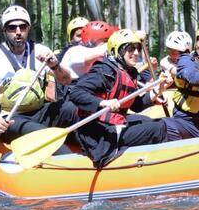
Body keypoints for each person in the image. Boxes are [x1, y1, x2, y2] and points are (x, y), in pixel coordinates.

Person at [69, 29, 171, 166]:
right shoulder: (104, 71)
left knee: (147, 120)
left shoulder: (129, 72)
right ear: (118, 51)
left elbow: (136, 105)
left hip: (113, 123)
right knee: (158, 129)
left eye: (137, 48)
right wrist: (102, 103)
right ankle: (161, 166)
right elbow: (76, 93)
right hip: (97, 132)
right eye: (130, 49)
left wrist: (158, 91)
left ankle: (140, 160)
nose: (136, 53)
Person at [0, 5, 75, 142]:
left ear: (28, 28)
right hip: (11, 116)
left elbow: (66, 80)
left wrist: (55, 65)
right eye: (12, 27)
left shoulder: (41, 50)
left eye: (22, 27)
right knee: (38, 132)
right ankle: (62, 156)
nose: (18, 31)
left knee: (71, 109)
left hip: (40, 111)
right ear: (4, 30)